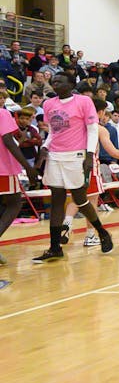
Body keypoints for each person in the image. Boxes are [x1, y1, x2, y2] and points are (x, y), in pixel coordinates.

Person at [32, 72, 112, 261]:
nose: (55, 83)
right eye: (54, 81)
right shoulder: (49, 104)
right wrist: (44, 147)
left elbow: (92, 131)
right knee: (57, 199)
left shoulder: (84, 101)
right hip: (54, 156)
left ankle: (102, 232)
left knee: (79, 199)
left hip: (76, 155)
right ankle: (54, 247)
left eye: (60, 80)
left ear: (70, 84)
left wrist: (89, 155)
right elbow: (53, 131)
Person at [0, 92, 40, 266]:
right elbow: (8, 140)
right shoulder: (2, 113)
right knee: (15, 202)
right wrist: (28, 166)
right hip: (3, 168)